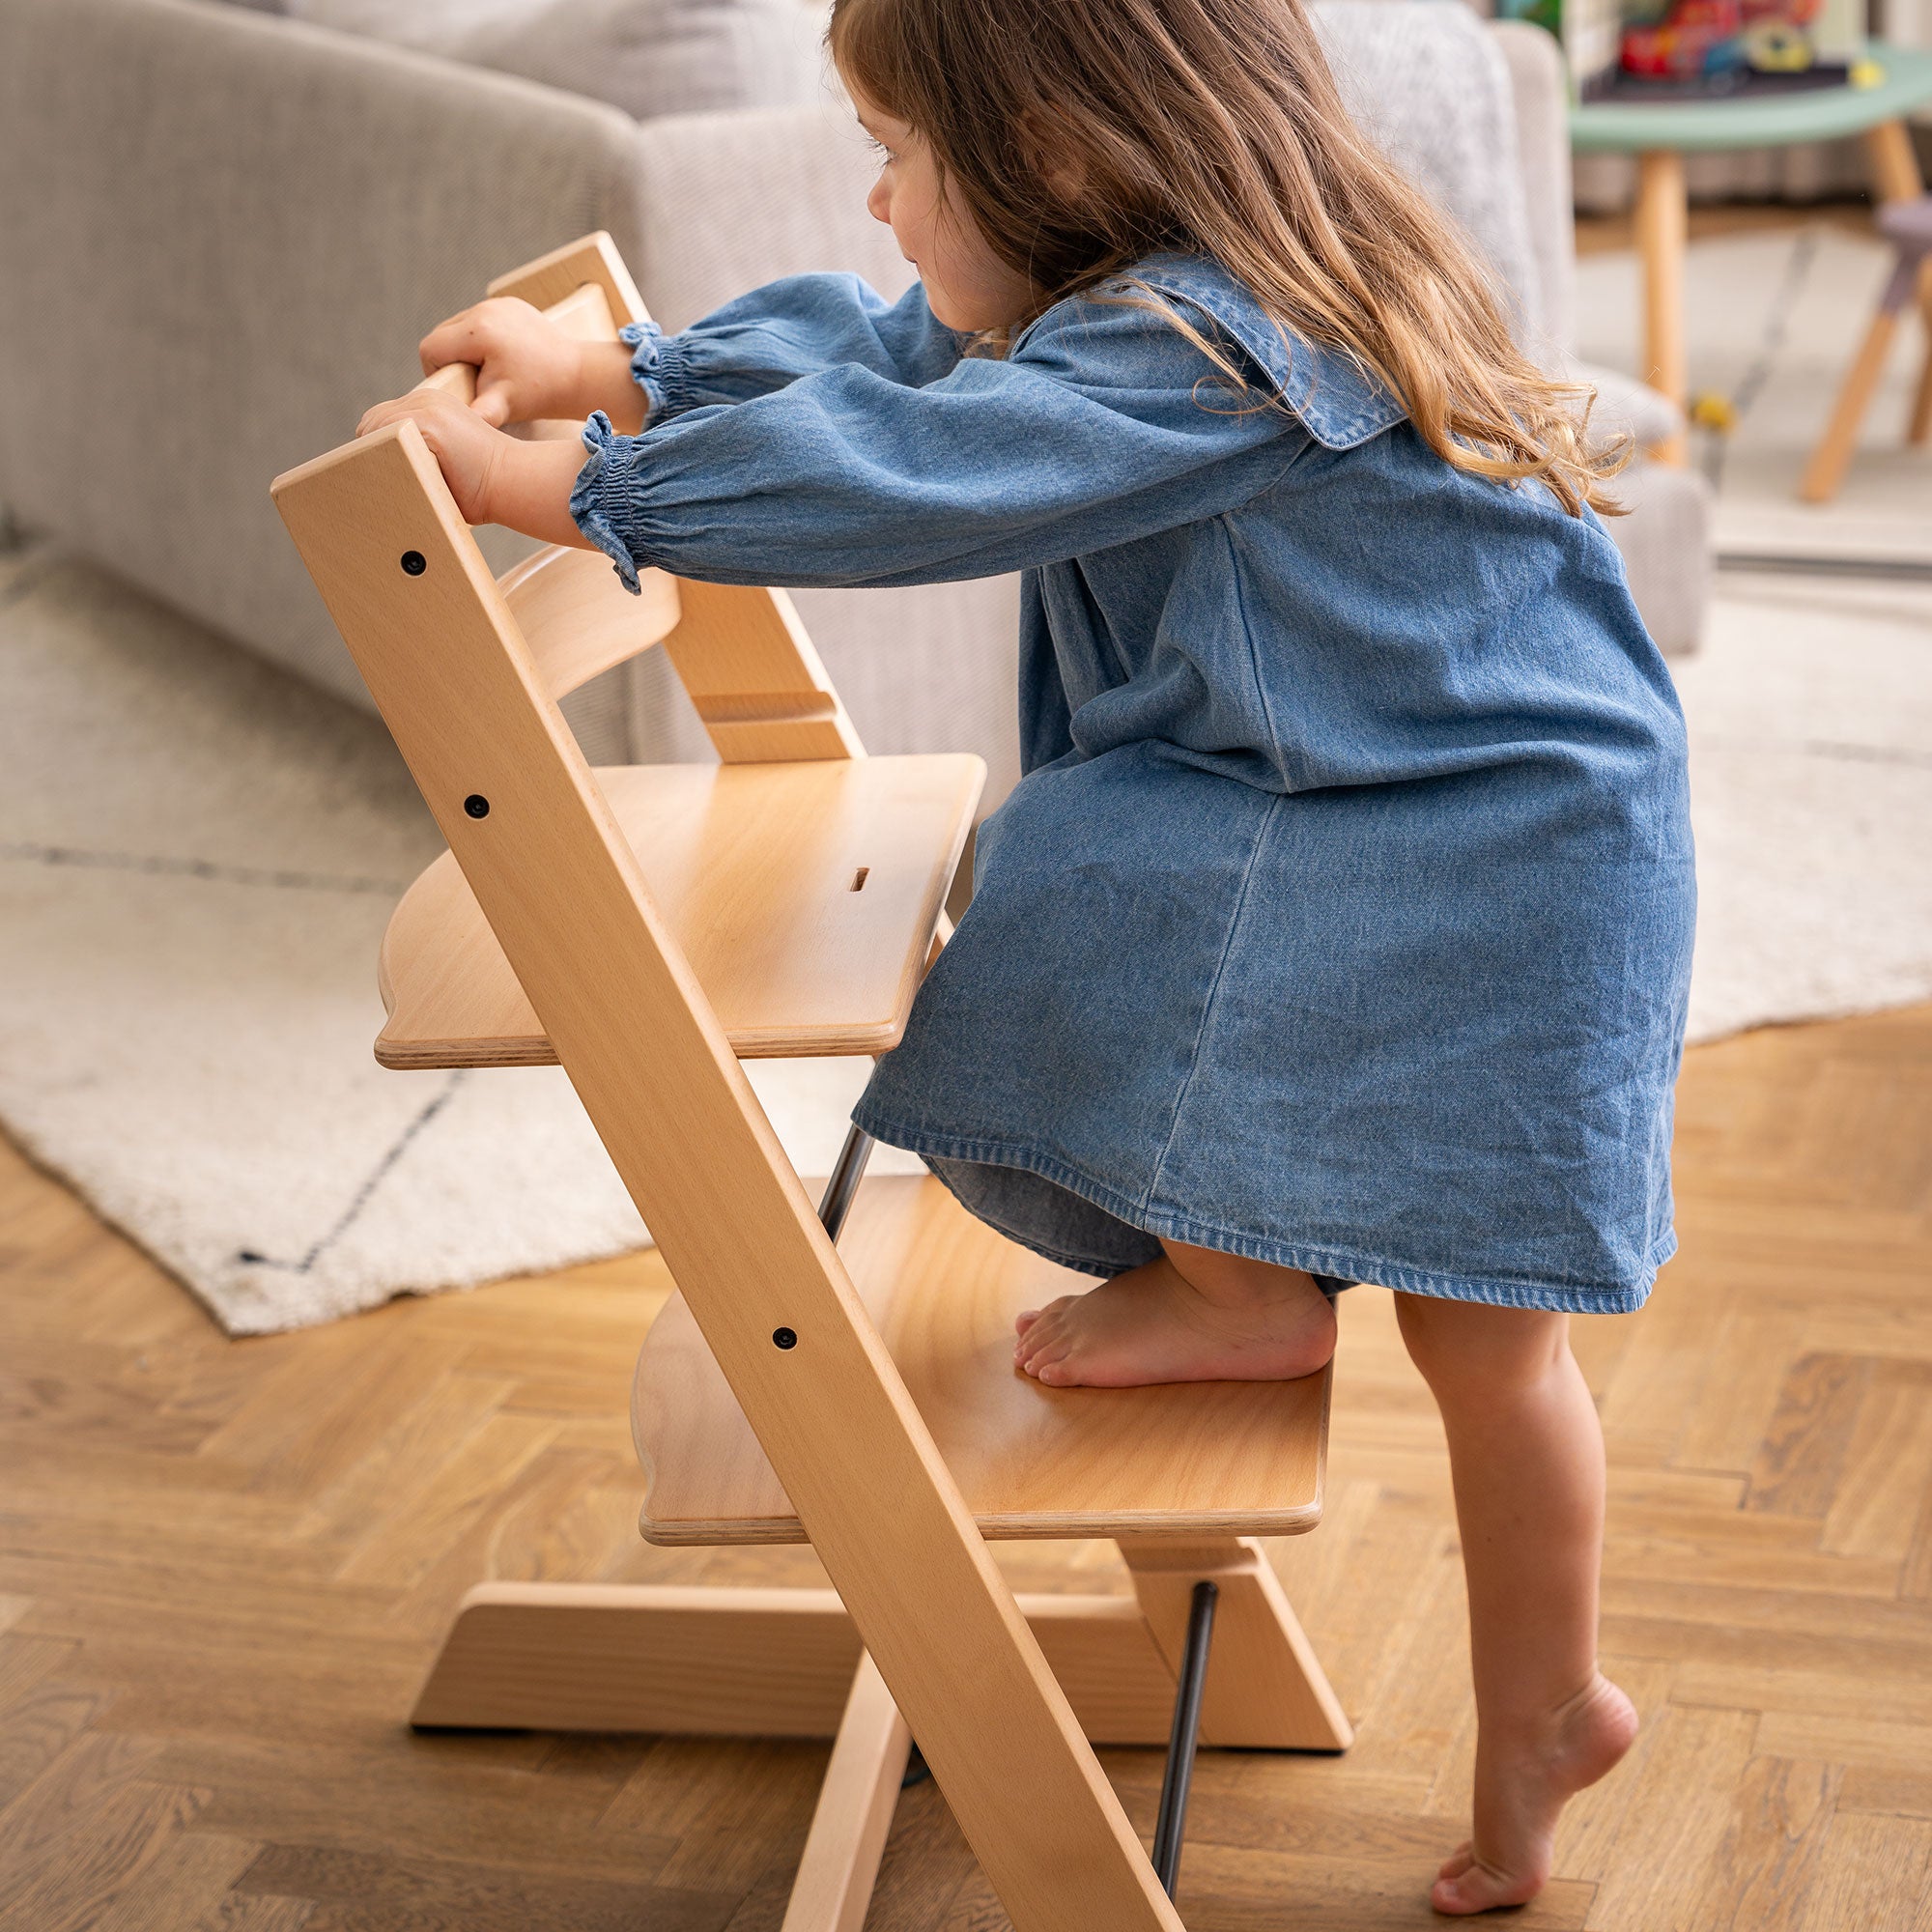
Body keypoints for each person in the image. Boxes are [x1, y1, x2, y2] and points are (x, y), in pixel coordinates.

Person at [357, 0, 1692, 1910]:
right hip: (1498, 811)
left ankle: (1297, 1368)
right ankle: (1532, 1683)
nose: (877, 195)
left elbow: (910, 473)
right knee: (1490, 1346)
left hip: (1476, 842)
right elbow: (889, 361)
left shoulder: (1193, 345)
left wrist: (573, 488)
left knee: (1100, 874)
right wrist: (618, 369)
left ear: (1055, 159)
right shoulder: (1181, 268)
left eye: (902, 153)